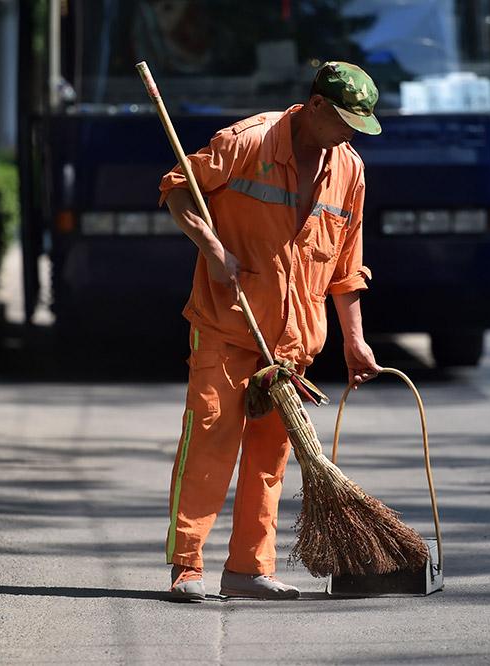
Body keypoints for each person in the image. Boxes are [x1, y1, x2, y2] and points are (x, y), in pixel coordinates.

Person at [157, 62, 382, 601]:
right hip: (226, 326)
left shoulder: (349, 170)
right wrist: (213, 250)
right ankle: (187, 566)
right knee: (209, 442)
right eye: (346, 121)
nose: (351, 134)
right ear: (317, 107)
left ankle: (248, 568)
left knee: (270, 457)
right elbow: (177, 189)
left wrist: (354, 338)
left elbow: (346, 264)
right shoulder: (247, 143)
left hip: (292, 344)